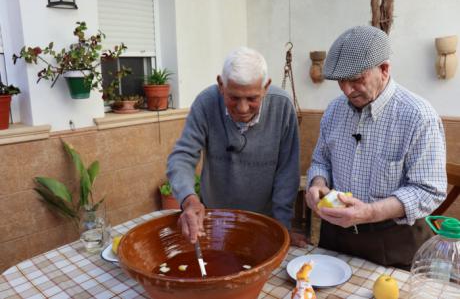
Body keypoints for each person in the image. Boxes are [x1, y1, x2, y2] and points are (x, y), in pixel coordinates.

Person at [305, 26, 447, 270]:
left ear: (384, 69)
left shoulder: (418, 116)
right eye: (341, 81)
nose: (347, 90)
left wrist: (369, 212)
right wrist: (317, 184)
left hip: (395, 241)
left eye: (357, 80)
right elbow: (321, 161)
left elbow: (428, 190)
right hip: (336, 238)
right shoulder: (334, 111)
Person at [167, 47, 306, 247]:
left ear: (266, 87)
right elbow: (182, 156)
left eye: (252, 98)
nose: (242, 108)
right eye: (233, 97)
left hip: (264, 221)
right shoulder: (206, 103)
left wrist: (282, 228)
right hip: (215, 219)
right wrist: (189, 200)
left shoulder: (282, 106)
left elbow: (287, 171)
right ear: (221, 85)